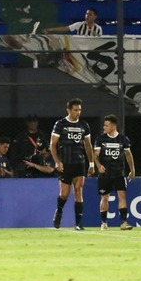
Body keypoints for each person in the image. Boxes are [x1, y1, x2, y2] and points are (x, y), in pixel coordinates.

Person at [50, 98, 94, 230]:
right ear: (68, 110)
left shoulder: (84, 125)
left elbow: (87, 145)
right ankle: (59, 211)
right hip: (65, 163)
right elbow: (53, 144)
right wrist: (57, 161)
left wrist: (91, 163)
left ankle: (78, 223)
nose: (78, 112)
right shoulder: (60, 124)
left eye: (79, 110)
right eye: (75, 110)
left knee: (78, 191)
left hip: (79, 163)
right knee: (64, 193)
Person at [93, 115, 135, 231]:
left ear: (113, 126)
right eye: (104, 125)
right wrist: (99, 166)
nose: (104, 127)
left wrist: (132, 169)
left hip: (119, 173)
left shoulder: (123, 139)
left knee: (122, 196)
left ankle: (123, 222)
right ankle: (104, 222)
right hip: (105, 174)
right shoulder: (100, 139)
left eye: (106, 125)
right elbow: (95, 155)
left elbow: (128, 155)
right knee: (105, 197)